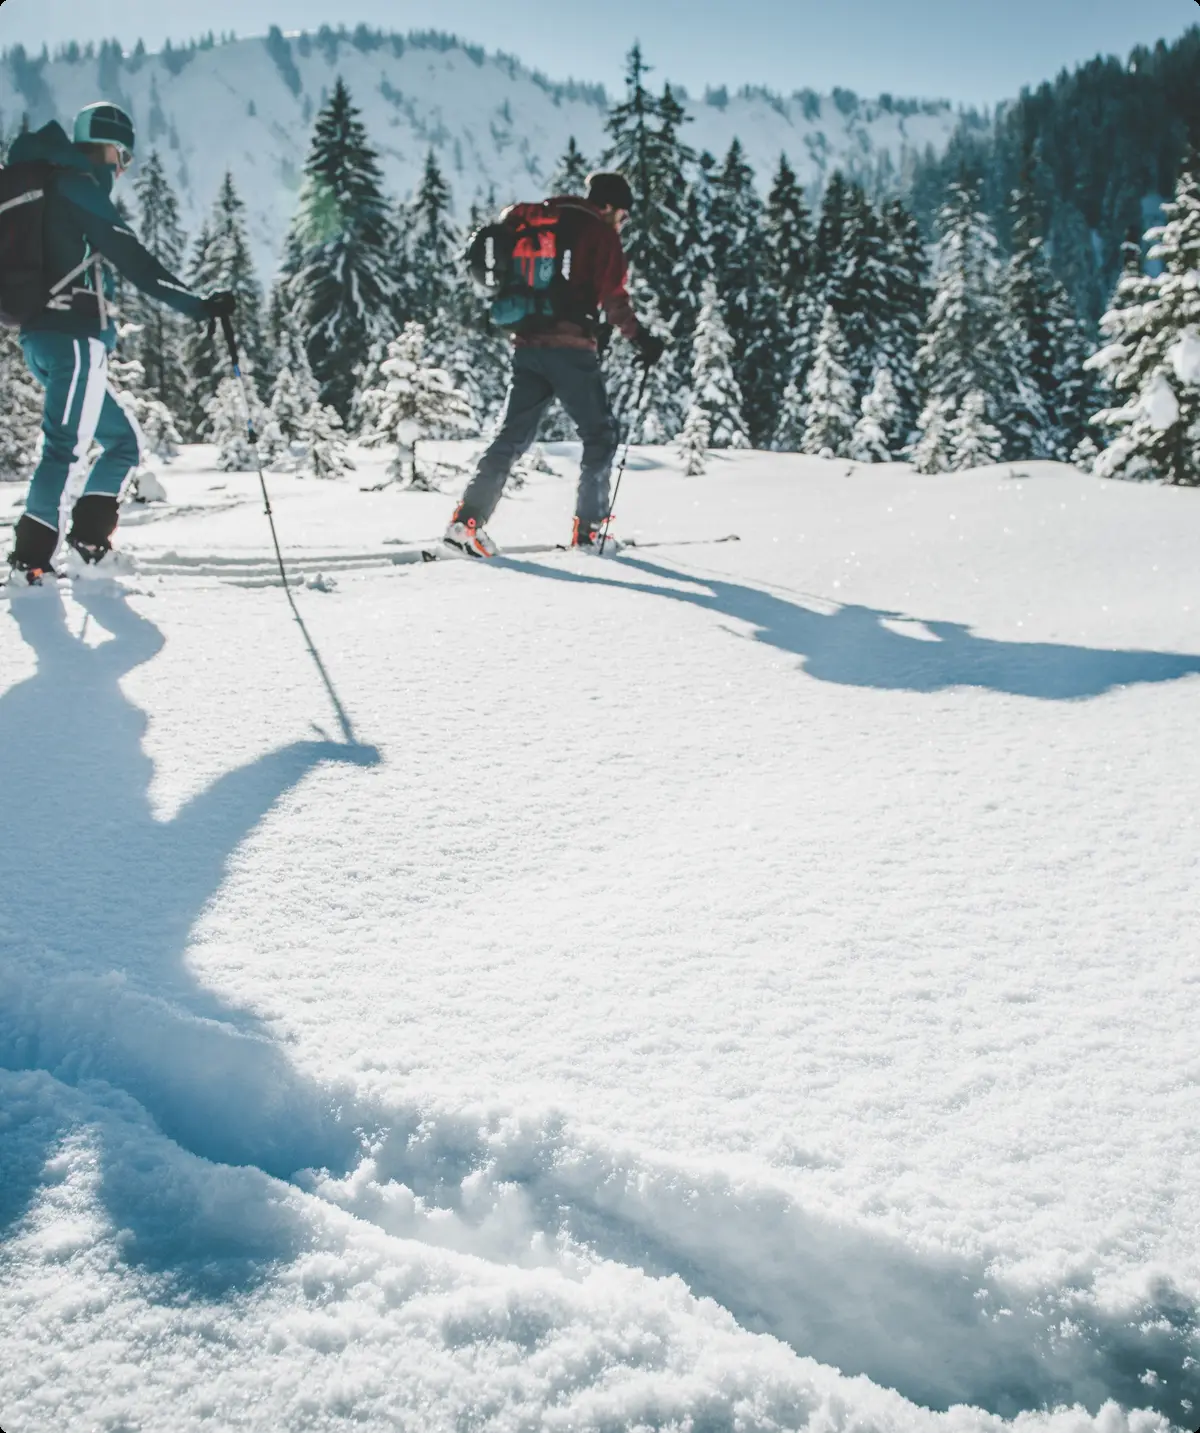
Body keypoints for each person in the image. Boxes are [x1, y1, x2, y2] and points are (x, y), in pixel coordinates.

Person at [4, 103, 234, 585]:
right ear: (108, 148)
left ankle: (89, 543)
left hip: (43, 339)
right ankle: (32, 562)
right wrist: (197, 305)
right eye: (123, 157)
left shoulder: (45, 185)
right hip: (73, 339)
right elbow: (135, 260)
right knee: (64, 450)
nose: (123, 168)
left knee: (123, 442)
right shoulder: (76, 186)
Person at [444, 170, 666, 558]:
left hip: (527, 346)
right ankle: (589, 534)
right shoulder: (600, 234)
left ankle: (466, 524)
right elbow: (614, 298)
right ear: (609, 206)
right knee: (600, 435)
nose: (623, 222)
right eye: (623, 214)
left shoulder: (545, 220)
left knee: (510, 438)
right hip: (570, 351)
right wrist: (641, 339)